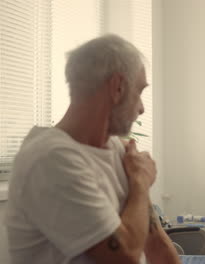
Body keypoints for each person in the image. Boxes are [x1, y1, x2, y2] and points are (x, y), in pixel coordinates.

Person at [4, 34, 181, 264]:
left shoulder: (119, 150)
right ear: (117, 87)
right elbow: (124, 255)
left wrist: (139, 183)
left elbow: (156, 244)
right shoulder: (50, 159)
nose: (142, 108)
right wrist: (140, 184)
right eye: (139, 91)